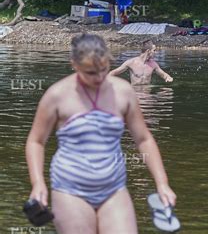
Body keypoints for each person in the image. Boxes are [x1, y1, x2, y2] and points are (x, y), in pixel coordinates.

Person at [25, 34, 176, 233]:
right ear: (74, 64)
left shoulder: (123, 92)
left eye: (103, 70)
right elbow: (36, 141)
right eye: (90, 72)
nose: (99, 78)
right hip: (70, 189)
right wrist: (38, 184)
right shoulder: (57, 95)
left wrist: (162, 183)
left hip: (113, 189)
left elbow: (144, 139)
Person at [109, 40, 173, 85]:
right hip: (135, 94)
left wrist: (168, 77)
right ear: (148, 51)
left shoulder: (153, 64)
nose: (156, 53)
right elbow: (112, 73)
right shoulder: (131, 62)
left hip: (147, 96)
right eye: (154, 50)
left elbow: (164, 75)